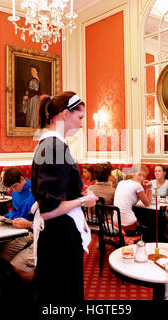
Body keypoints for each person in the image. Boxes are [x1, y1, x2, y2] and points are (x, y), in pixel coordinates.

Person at [31, 91, 98, 301]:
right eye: (80, 118)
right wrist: (83, 201)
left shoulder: (53, 146)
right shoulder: (54, 148)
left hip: (60, 234)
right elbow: (49, 212)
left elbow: (58, 190)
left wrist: (80, 190)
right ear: (65, 114)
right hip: (60, 237)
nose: (81, 124)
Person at [0, 167, 36, 296]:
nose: (14, 190)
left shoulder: (35, 189)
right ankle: (8, 282)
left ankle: (18, 286)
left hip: (30, 230)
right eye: (11, 188)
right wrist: (6, 219)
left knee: (2, 248)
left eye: (15, 186)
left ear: (22, 179)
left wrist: (25, 223)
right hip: (17, 227)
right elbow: (15, 210)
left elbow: (35, 217)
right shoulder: (15, 191)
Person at [113, 165, 152, 235]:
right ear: (132, 174)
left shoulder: (121, 182)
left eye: (144, 176)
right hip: (127, 225)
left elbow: (130, 202)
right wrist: (149, 188)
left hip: (116, 221)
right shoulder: (137, 185)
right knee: (150, 229)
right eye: (139, 175)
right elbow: (147, 204)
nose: (142, 178)